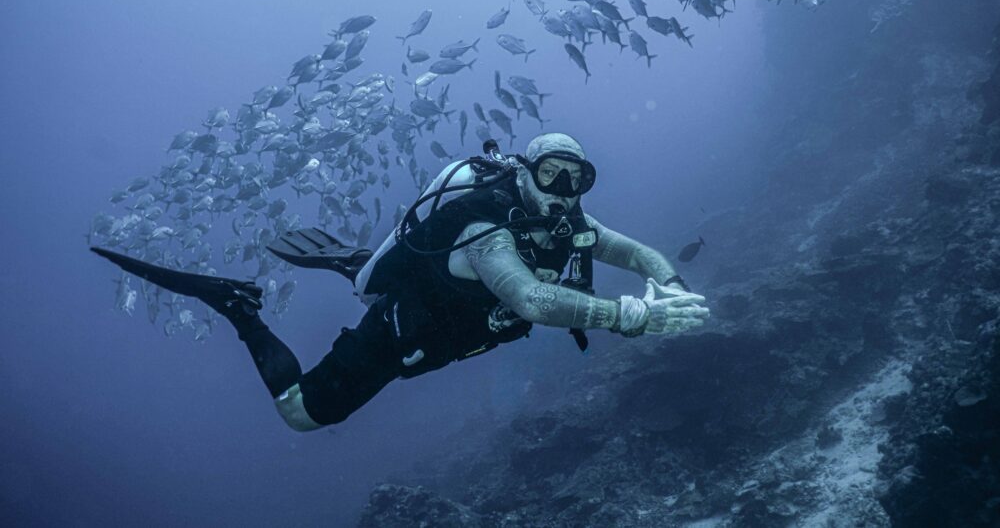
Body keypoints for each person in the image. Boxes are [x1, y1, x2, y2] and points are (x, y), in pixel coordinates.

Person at [93, 132, 709, 431]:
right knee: (302, 415)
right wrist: (632, 315)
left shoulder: (566, 214)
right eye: (551, 175)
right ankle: (239, 309)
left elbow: (634, 252)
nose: (564, 193)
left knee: (398, 275)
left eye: (576, 179)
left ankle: (371, 261)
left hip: (455, 329)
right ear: (524, 173)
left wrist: (670, 281)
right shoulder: (485, 228)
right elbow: (529, 297)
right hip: (404, 332)